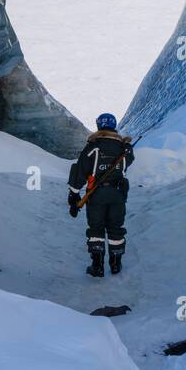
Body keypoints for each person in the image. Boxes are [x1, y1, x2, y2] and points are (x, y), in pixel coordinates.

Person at [68, 113, 135, 277]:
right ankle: (116, 264)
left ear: (99, 125)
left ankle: (97, 266)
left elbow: (81, 170)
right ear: (114, 125)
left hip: (96, 194)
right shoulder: (124, 148)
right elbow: (129, 162)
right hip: (118, 194)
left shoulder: (93, 146)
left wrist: (74, 194)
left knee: (96, 228)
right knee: (115, 228)